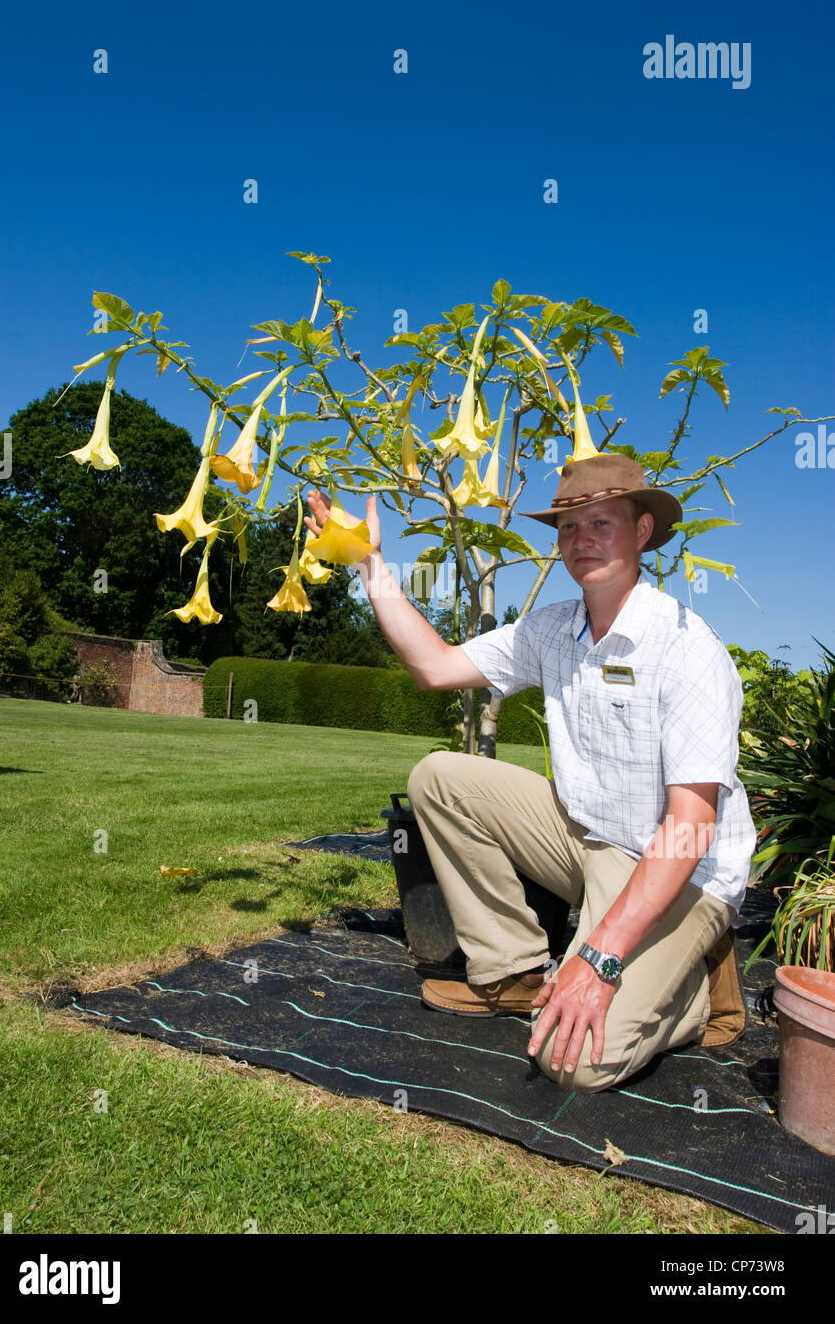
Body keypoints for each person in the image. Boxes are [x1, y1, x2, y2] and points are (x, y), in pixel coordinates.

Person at [304, 446, 755, 1093]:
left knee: (575, 1062)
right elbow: (435, 667)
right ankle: (514, 970)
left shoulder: (688, 649)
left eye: (602, 522)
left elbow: (689, 827)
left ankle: (693, 989)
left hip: (681, 871)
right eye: (569, 527)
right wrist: (369, 564)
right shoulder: (554, 630)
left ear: (643, 530)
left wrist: (597, 961)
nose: (581, 540)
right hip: (589, 840)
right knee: (440, 777)